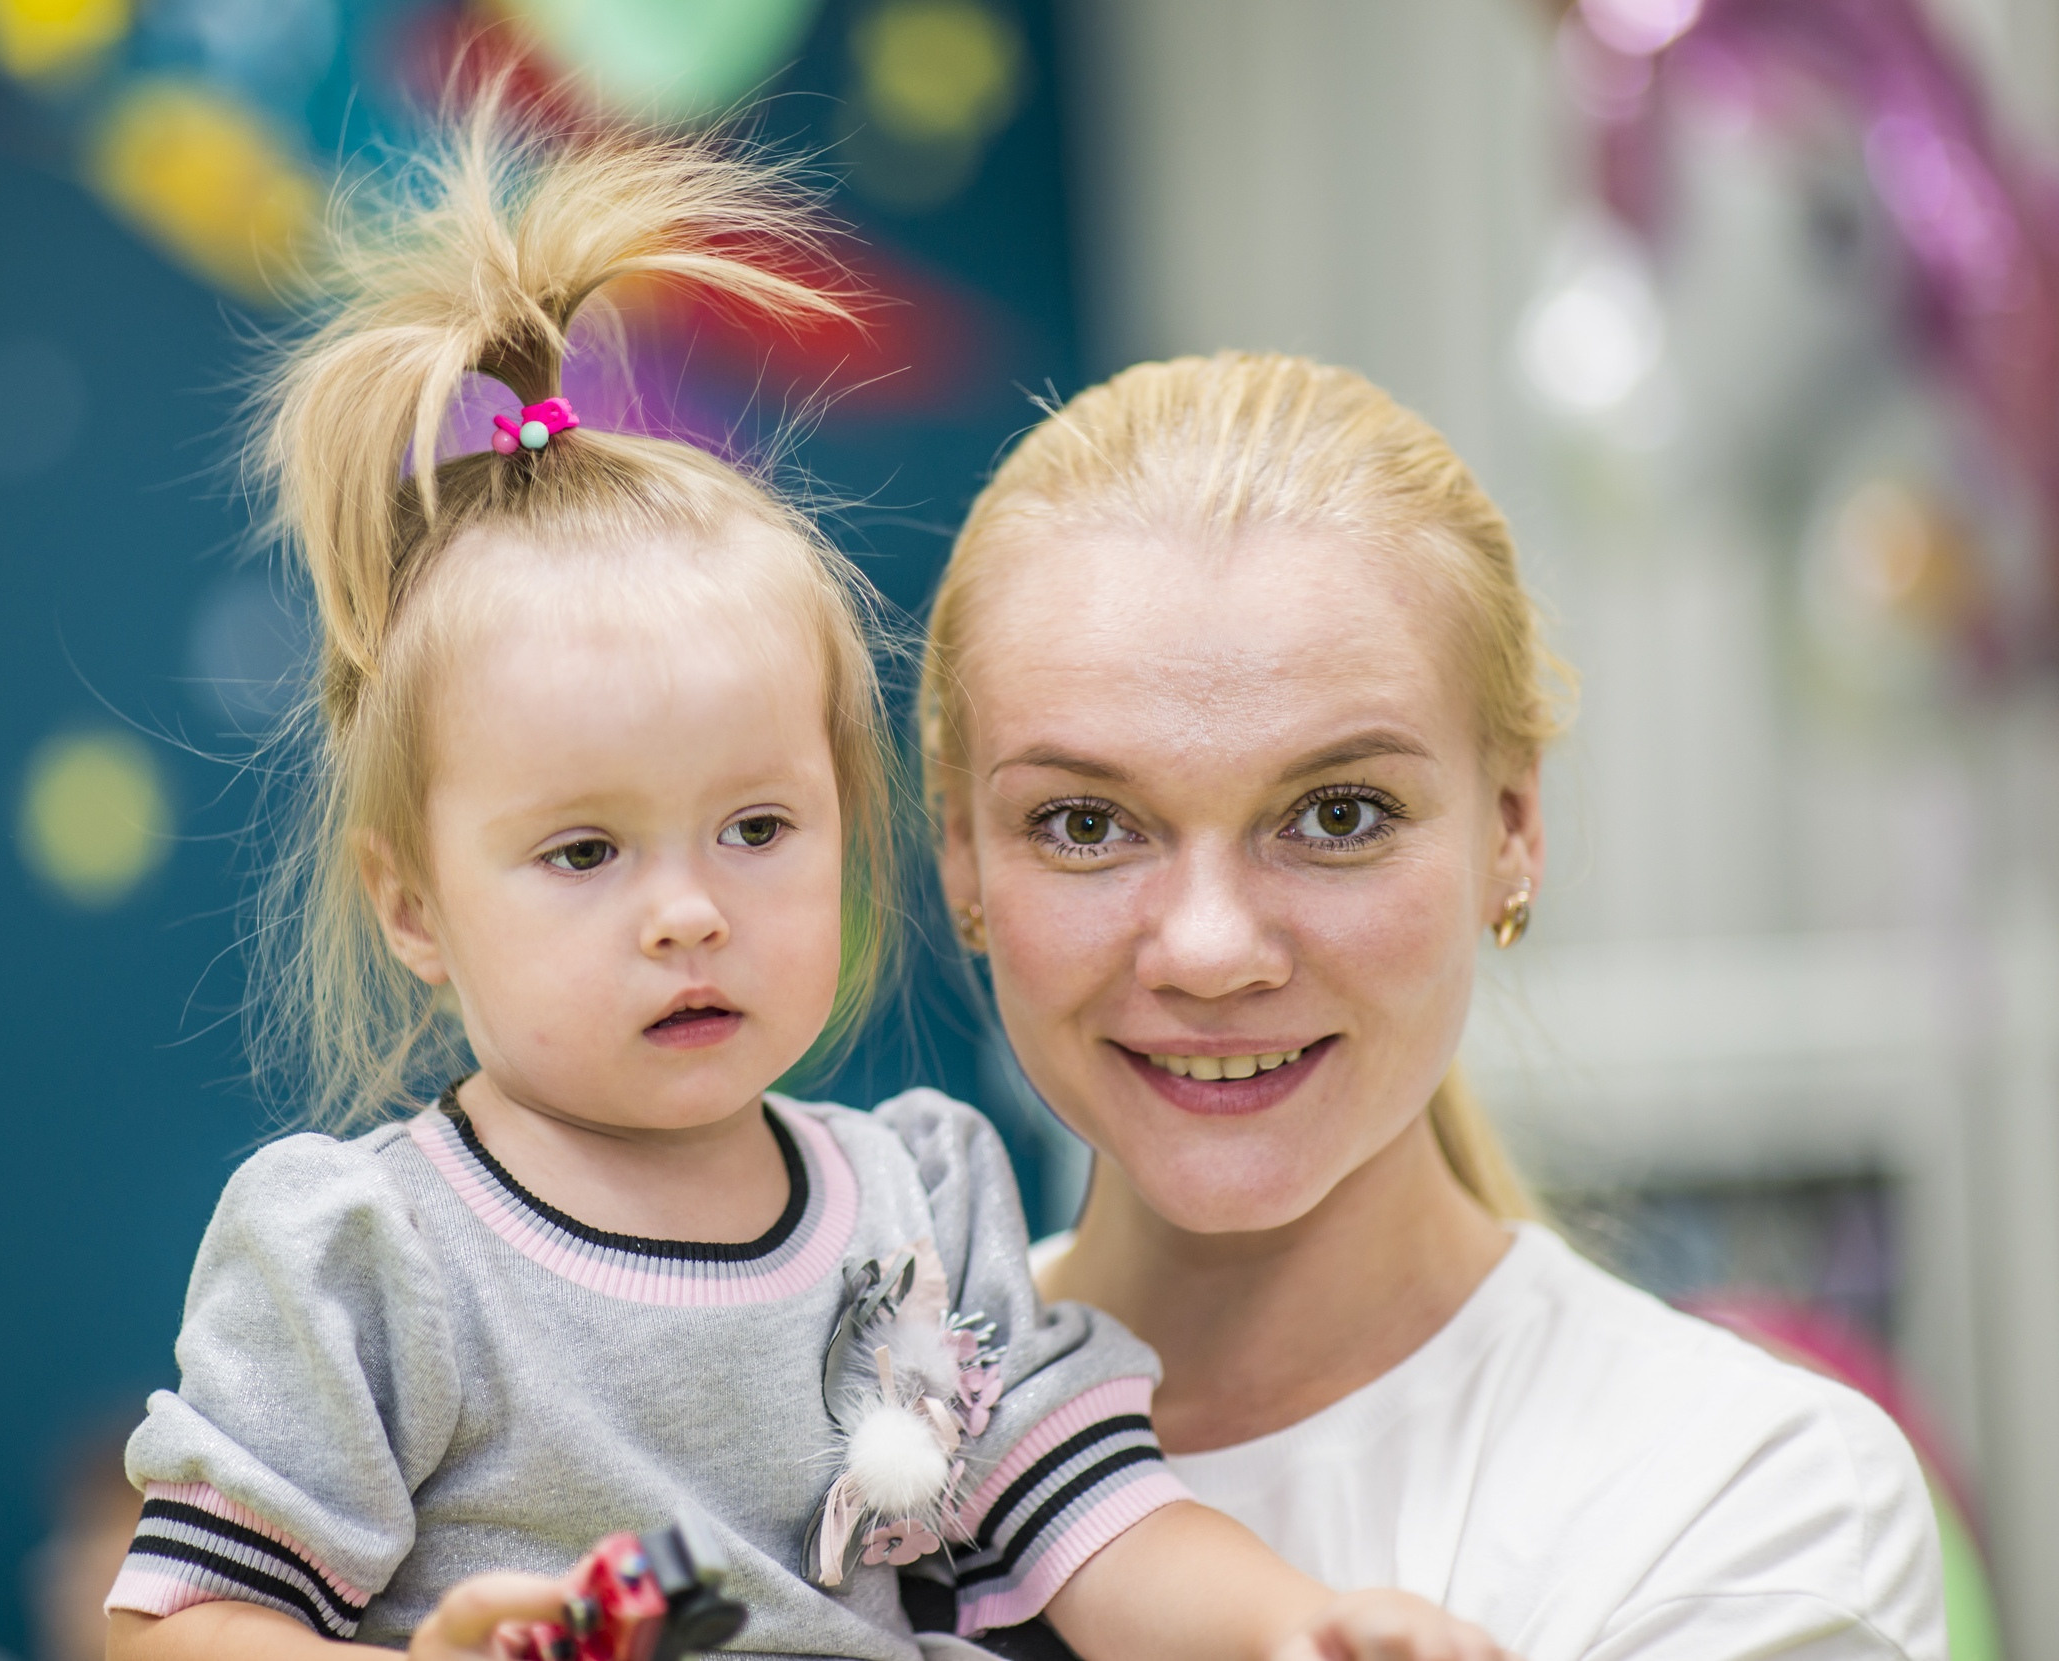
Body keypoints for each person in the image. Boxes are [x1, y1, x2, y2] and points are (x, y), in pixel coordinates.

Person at [100, 108, 1514, 1661]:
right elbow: (182, 1625)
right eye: (584, 851)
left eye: (758, 828)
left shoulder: (919, 1203)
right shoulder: (374, 1254)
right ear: (413, 904)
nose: (688, 910)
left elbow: (1097, 1521)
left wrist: (1295, 1628)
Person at [921, 353, 1950, 1660]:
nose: (1210, 946)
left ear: (1511, 828)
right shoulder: (816, 1420)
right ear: (961, 853)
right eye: (1084, 823)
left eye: (1339, 814)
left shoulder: (1747, 1492)